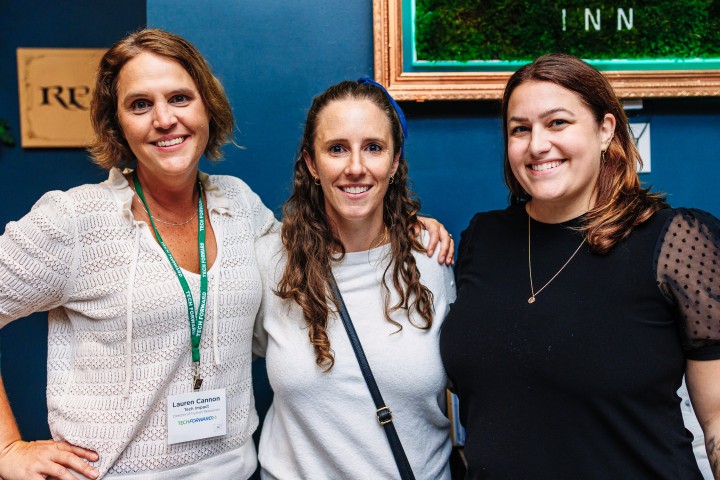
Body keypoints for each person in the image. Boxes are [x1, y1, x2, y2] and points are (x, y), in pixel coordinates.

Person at [0, 29, 453, 480]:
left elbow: (329, 243)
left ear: (207, 108)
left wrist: (407, 228)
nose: (163, 119)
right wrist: (7, 449)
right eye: (140, 104)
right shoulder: (77, 219)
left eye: (180, 98)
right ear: (117, 122)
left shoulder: (237, 207)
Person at [440, 53, 720, 479]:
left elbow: (718, 421)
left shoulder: (675, 240)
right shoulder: (483, 238)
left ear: (605, 130)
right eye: (520, 129)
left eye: (557, 123)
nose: (537, 145)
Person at [253, 79, 456, 479]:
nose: (356, 167)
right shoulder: (269, 260)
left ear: (395, 162)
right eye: (337, 149)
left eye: (373, 148)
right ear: (312, 163)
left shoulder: (432, 256)